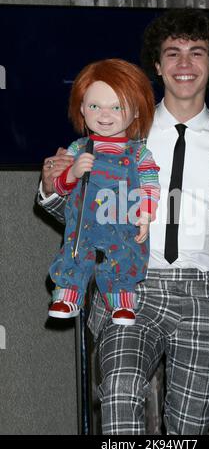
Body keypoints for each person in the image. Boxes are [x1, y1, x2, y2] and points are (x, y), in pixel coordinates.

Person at [37, 9, 209, 434]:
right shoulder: (120, 130)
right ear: (156, 66)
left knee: (188, 430)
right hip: (134, 287)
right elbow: (76, 211)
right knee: (120, 396)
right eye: (172, 53)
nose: (184, 64)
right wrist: (54, 186)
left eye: (197, 53)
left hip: (207, 297)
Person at [46, 59, 160, 325]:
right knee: (74, 253)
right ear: (82, 108)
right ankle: (68, 294)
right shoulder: (77, 148)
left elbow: (150, 184)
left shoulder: (139, 153)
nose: (105, 115)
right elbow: (60, 188)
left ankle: (121, 302)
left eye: (117, 107)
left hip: (123, 220)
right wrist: (72, 172)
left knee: (124, 256)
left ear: (135, 112)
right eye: (95, 106)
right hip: (83, 221)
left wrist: (145, 214)